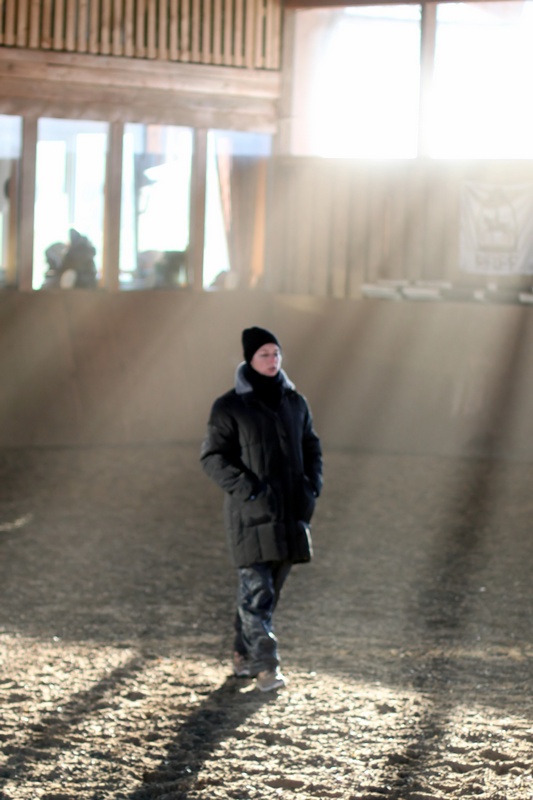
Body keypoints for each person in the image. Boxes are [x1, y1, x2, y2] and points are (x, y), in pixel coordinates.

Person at [200, 326, 322, 692]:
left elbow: (311, 446)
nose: (273, 360)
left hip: (291, 513)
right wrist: (251, 491)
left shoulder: (295, 402)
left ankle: (243, 654)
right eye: (264, 354)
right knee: (258, 595)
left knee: (268, 595)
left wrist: (311, 486)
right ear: (249, 359)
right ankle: (267, 667)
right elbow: (213, 457)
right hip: (250, 516)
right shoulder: (229, 407)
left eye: (276, 353)